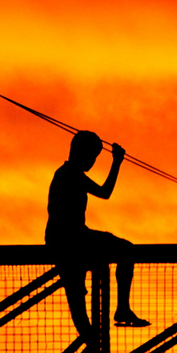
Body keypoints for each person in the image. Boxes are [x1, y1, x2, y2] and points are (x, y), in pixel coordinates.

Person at [46, 130, 149, 336]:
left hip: (67, 239)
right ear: (80, 153)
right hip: (71, 241)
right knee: (126, 250)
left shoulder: (67, 174)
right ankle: (122, 310)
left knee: (79, 306)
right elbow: (105, 192)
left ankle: (98, 340)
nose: (92, 162)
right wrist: (117, 162)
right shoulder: (70, 175)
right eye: (92, 157)